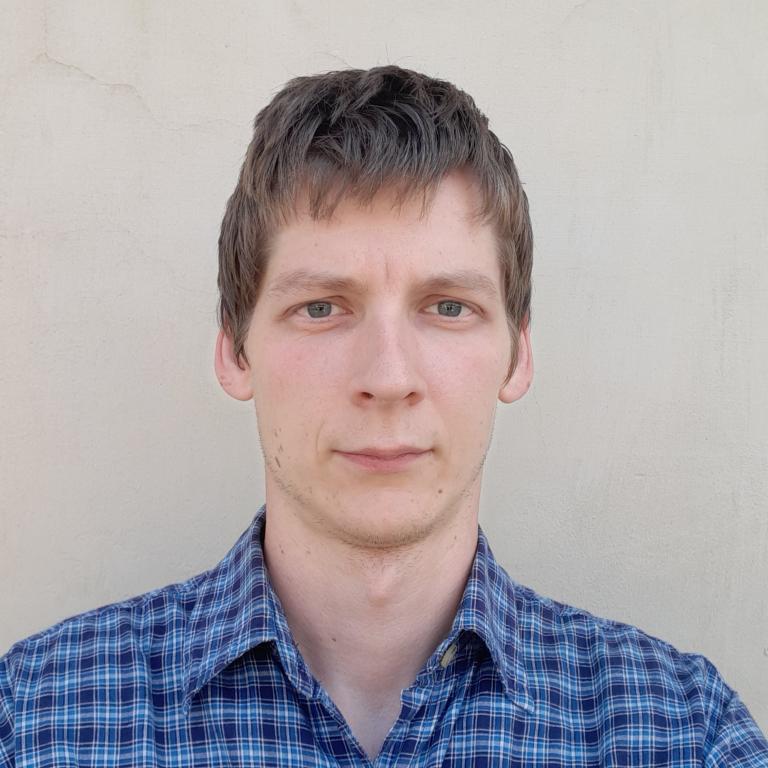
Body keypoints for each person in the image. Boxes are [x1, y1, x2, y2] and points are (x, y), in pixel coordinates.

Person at [1, 65, 766, 767]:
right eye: (322, 307)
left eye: (448, 307)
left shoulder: (682, 733)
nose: (388, 378)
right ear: (235, 350)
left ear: (517, 355)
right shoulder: (37, 721)